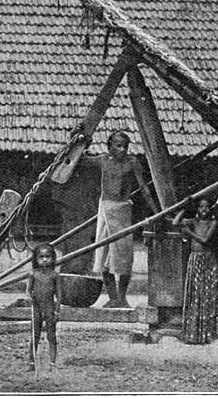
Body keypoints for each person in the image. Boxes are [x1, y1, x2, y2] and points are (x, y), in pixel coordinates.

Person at [73, 130, 159, 308]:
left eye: (125, 146)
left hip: (123, 211)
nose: (122, 150)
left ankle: (122, 297)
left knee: (124, 255)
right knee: (104, 253)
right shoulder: (103, 160)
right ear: (110, 147)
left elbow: (143, 187)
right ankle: (113, 297)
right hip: (105, 208)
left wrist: (156, 211)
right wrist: (79, 141)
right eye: (118, 146)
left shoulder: (132, 163)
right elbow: (79, 160)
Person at [173, 197, 218, 344]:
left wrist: (189, 233)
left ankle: (205, 333)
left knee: (205, 295)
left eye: (206, 207)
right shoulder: (193, 222)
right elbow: (175, 223)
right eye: (201, 207)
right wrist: (184, 208)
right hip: (194, 259)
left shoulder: (213, 223)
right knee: (194, 294)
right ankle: (192, 333)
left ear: (210, 208)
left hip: (206, 260)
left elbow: (205, 240)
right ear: (197, 209)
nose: (204, 210)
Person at [26, 243, 62, 371]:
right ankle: (31, 362)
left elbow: (59, 295)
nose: (45, 260)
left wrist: (57, 312)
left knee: (51, 335)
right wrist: (30, 297)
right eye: (41, 257)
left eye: (48, 256)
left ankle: (52, 363)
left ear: (53, 258)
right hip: (36, 307)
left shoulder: (54, 275)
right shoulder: (33, 274)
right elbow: (28, 291)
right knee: (35, 335)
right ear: (36, 259)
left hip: (49, 308)